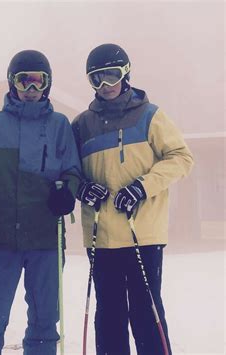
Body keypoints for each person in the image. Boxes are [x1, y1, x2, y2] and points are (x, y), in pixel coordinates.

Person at [72, 43, 194, 355]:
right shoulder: (82, 124)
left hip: (143, 232)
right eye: (96, 79)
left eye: (111, 76)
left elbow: (181, 158)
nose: (105, 86)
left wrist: (142, 187)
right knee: (109, 314)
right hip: (101, 236)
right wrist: (81, 187)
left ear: (126, 75)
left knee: (145, 311)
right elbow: (67, 170)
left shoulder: (150, 116)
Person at [0, 49, 82, 355]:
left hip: (46, 239)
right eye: (23, 81)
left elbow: (72, 170)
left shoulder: (59, 125)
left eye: (37, 82)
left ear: (48, 84)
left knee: (44, 324)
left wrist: (66, 192)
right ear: (11, 83)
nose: (30, 90)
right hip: (1, 238)